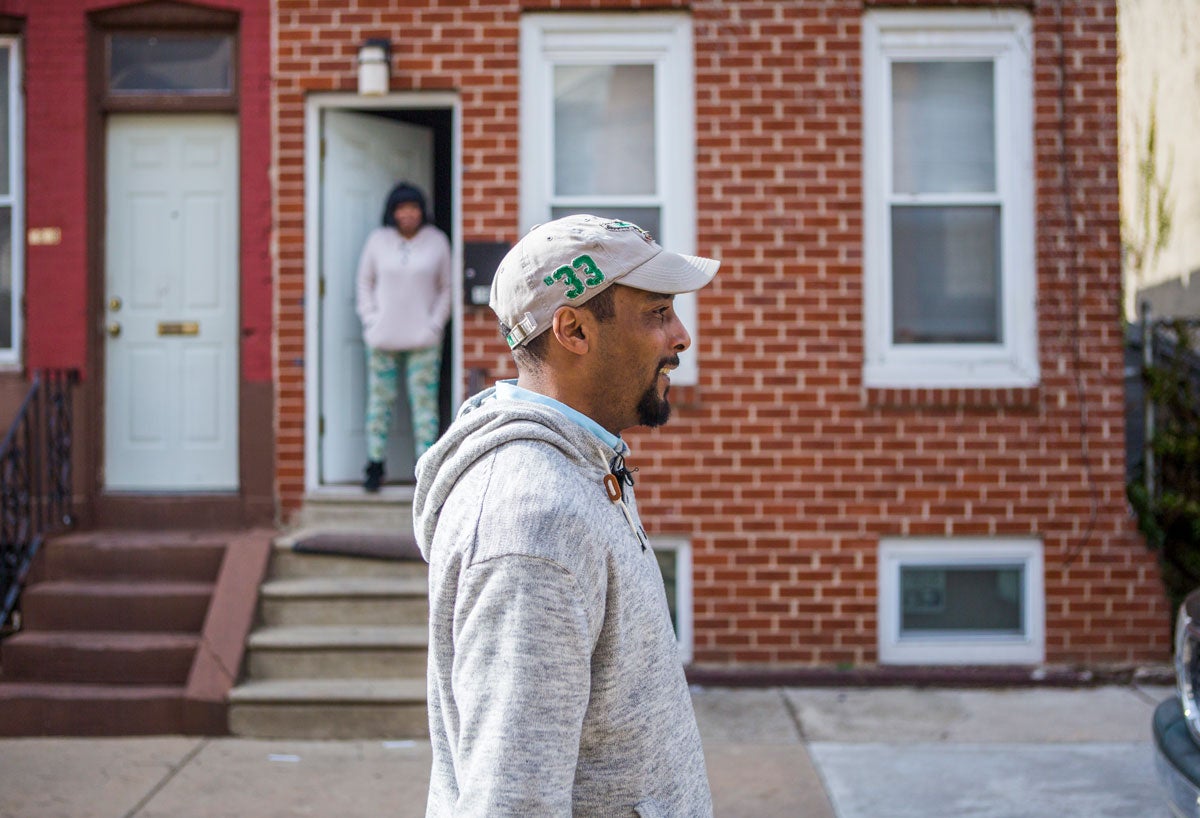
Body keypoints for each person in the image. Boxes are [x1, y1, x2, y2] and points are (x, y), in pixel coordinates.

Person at [413, 214, 720, 816]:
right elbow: (512, 800)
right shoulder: (532, 522)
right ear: (574, 330)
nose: (681, 337)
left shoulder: (584, 466)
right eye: (657, 314)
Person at [355, 181, 451, 492]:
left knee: (424, 406)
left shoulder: (437, 241)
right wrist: (371, 320)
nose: (408, 214)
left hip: (423, 340)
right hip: (382, 338)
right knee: (379, 403)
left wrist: (435, 324)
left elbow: (446, 288)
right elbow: (364, 283)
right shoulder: (377, 241)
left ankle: (425, 470)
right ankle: (374, 464)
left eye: (413, 207)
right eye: (402, 208)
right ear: (392, 212)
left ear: (422, 211)